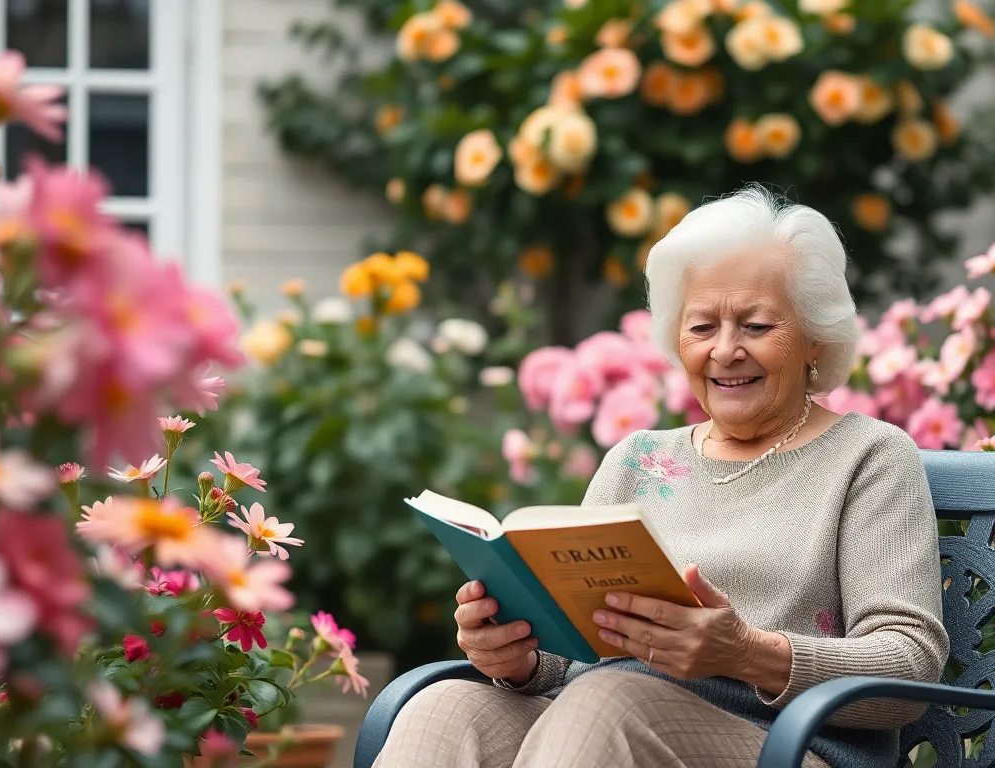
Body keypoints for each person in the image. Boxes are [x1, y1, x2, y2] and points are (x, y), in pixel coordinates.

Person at [374, 184, 949, 768]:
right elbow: (571, 656)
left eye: (755, 326)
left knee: (606, 700)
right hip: (601, 720)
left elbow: (909, 664)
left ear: (815, 337)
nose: (725, 351)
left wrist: (744, 653)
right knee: (441, 706)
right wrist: (512, 652)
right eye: (701, 328)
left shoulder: (868, 457)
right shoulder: (637, 460)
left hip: (787, 744)